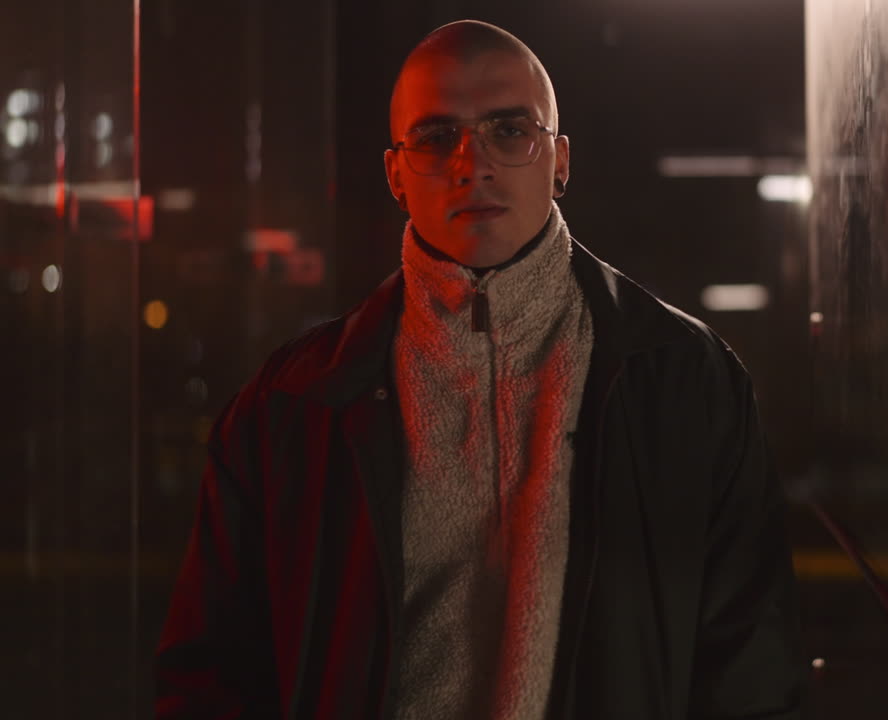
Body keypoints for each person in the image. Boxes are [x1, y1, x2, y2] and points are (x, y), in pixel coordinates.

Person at [155, 19, 808, 720]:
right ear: (396, 174)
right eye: (437, 138)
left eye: (510, 130)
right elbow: (212, 675)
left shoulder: (684, 380)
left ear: (559, 161)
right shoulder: (291, 405)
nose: (475, 163)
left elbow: (749, 670)